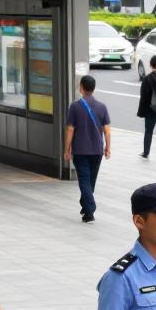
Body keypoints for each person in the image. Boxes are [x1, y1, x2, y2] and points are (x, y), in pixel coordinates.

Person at [63, 74, 111, 223]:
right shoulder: (102, 107)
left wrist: (67, 149)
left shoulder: (75, 107)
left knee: (84, 180)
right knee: (90, 182)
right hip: (97, 151)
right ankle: (86, 205)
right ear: (93, 89)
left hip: (80, 150)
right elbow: (107, 131)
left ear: (81, 88)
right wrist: (108, 148)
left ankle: (89, 210)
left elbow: (70, 129)